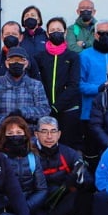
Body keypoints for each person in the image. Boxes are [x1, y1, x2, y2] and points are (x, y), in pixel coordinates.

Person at [35, 116, 91, 215]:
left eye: (53, 131)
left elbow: (87, 177)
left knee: (88, 197)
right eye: (44, 132)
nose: (49, 136)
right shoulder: (28, 154)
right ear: (36, 134)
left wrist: (78, 180)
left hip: (61, 205)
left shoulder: (68, 152)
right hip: (36, 207)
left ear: (59, 134)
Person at [0, 116, 48, 215]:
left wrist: (26, 206)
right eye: (10, 133)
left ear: (25, 134)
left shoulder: (33, 157)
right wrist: (14, 206)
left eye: (19, 132)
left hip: (29, 205)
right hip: (7, 208)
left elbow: (42, 189)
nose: (15, 136)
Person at [35, 16, 83, 148]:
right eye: (52, 30)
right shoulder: (39, 57)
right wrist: (47, 106)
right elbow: (38, 83)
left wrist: (56, 106)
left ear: (65, 32)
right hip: (45, 110)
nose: (56, 32)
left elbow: (74, 85)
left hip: (68, 110)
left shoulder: (73, 57)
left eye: (59, 29)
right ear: (47, 33)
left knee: (67, 147)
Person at [0, 47, 50, 125]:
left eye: (20, 60)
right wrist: (5, 122)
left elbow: (44, 110)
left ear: (26, 63)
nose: (16, 63)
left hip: (28, 133)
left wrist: (22, 112)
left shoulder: (36, 85)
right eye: (13, 60)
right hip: (2, 133)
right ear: (7, 63)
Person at [0, 21, 42, 93]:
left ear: (21, 37)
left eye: (14, 34)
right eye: (7, 34)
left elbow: (38, 88)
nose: (10, 36)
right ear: (2, 37)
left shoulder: (30, 60)